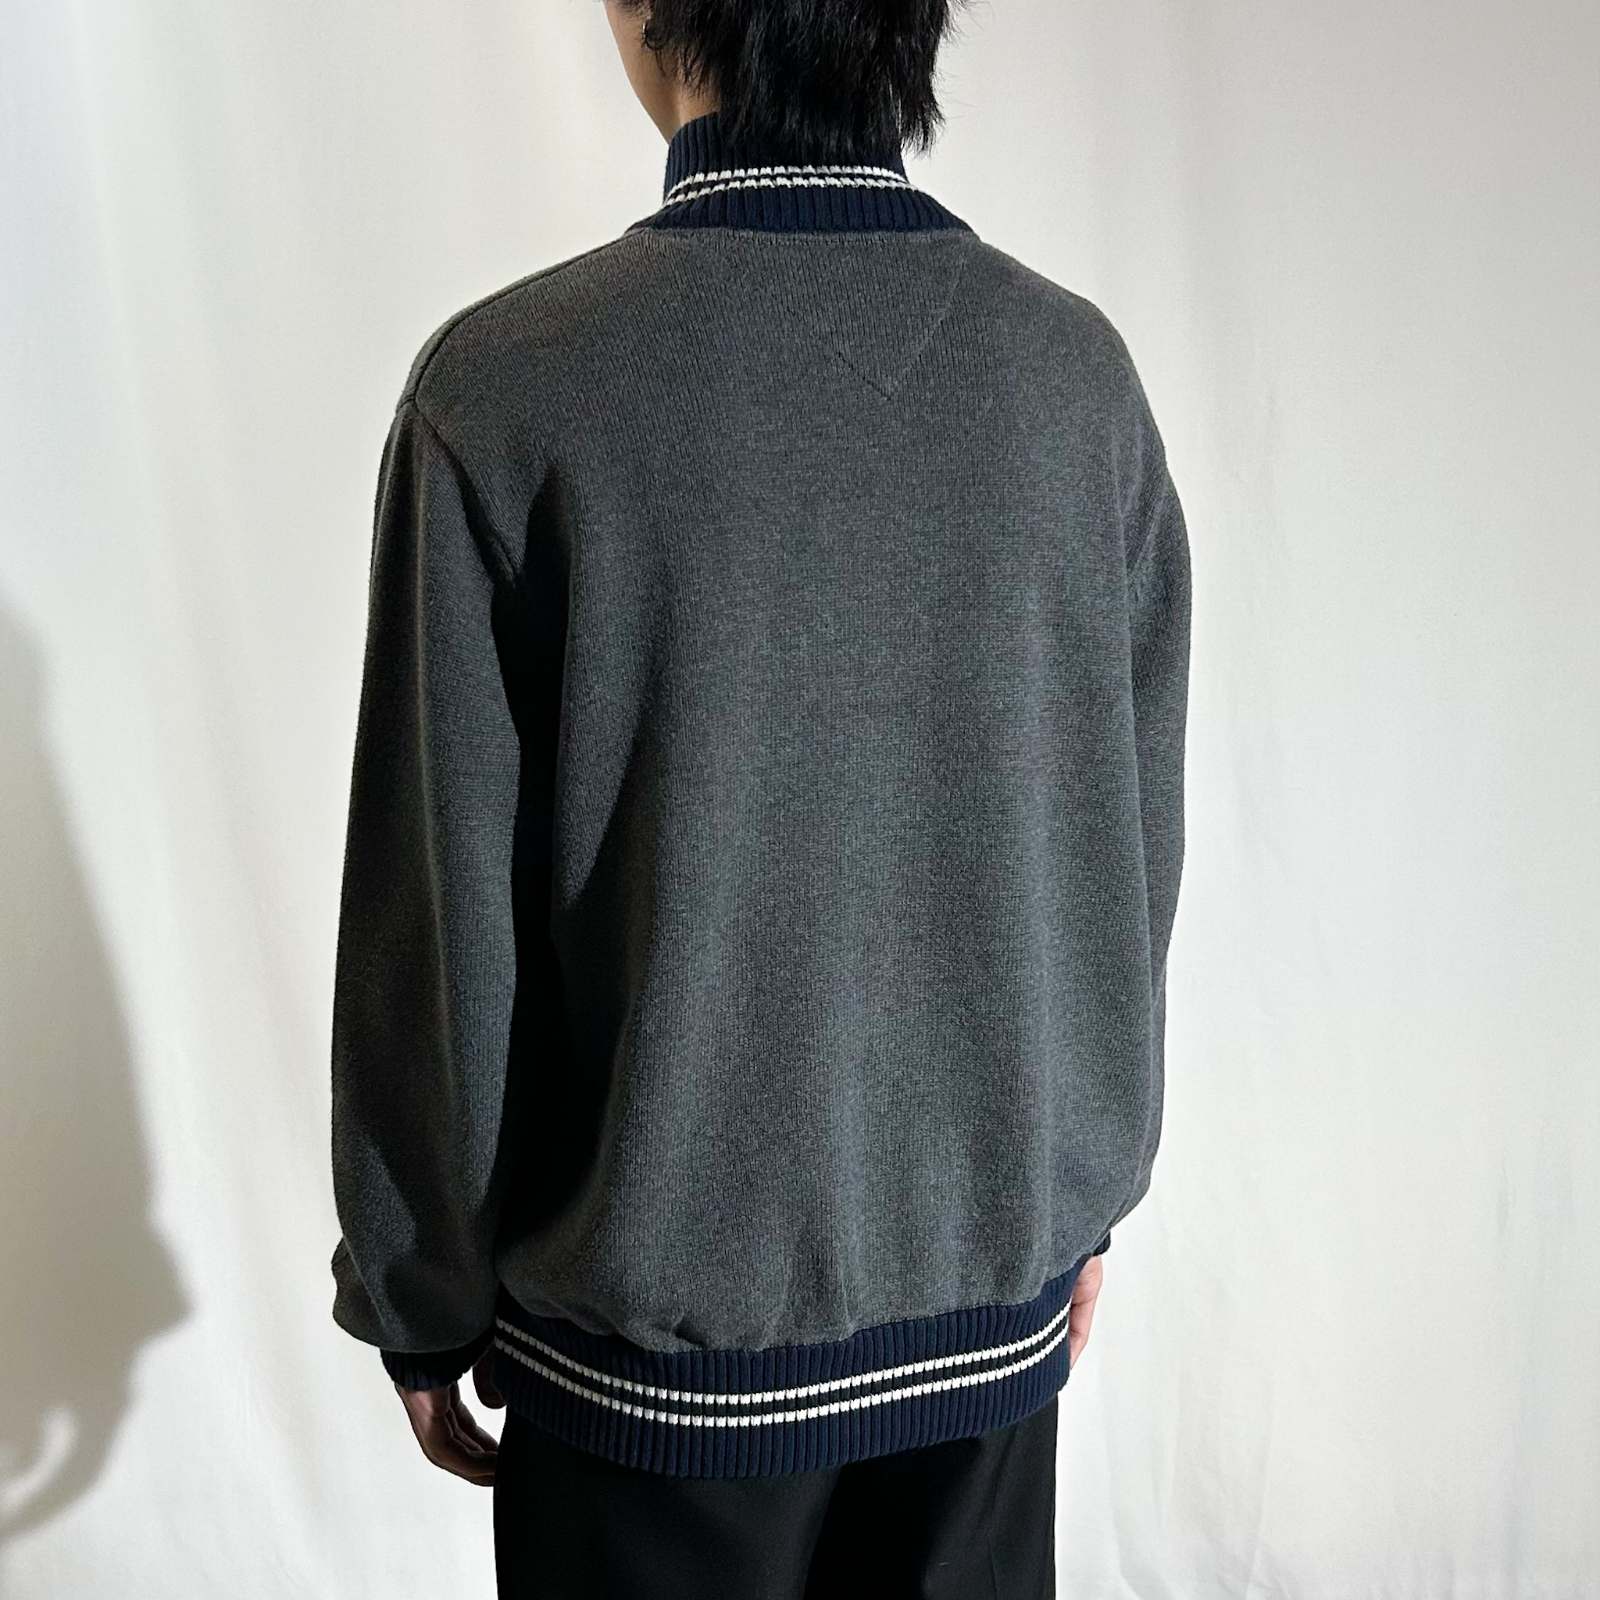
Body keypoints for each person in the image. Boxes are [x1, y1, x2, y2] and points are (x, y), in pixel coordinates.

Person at [327, 0, 1192, 1593]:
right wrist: (1072, 1203)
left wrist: (416, 1288)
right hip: (984, 1348)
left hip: (651, 1387)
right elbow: (1124, 863)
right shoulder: (1076, 380)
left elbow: (436, 929)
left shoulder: (509, 392)